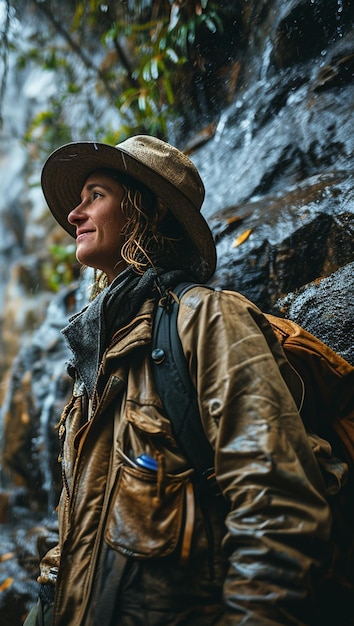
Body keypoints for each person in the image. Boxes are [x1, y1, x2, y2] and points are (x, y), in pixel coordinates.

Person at [24, 135, 332, 625]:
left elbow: (275, 504)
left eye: (95, 196)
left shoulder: (208, 320)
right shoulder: (98, 356)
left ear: (149, 209)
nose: (74, 215)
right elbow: (73, 543)